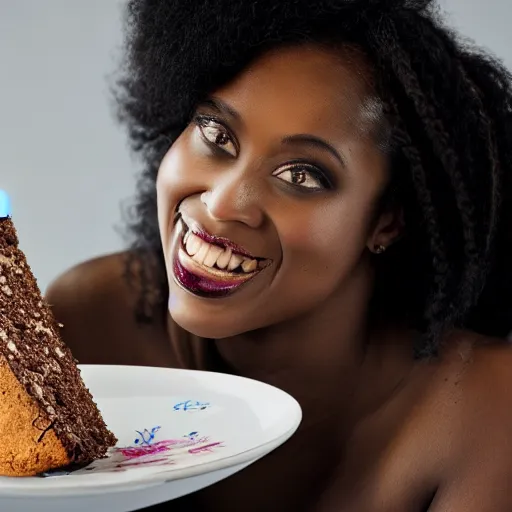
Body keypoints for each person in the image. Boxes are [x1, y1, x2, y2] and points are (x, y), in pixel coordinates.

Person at [46, 0, 512, 510]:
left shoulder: (481, 410)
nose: (223, 201)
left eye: (301, 175)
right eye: (216, 134)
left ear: (387, 220)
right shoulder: (86, 327)